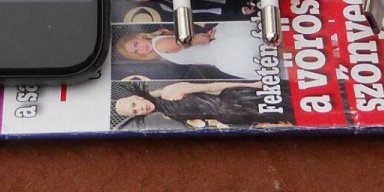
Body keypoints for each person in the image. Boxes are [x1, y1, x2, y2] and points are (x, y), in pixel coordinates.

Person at [110, 79, 281, 128]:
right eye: (135, 112)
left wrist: (251, 85)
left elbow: (212, 86)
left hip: (238, 100)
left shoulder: (169, 91)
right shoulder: (166, 114)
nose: (140, 109)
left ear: (137, 97)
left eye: (134, 105)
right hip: (233, 116)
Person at [114, 25, 262, 80]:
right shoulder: (159, 46)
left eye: (136, 44)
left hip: (222, 50)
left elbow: (189, 41)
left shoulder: (158, 45)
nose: (141, 49)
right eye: (136, 51)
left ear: (139, 37)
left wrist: (200, 38)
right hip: (219, 53)